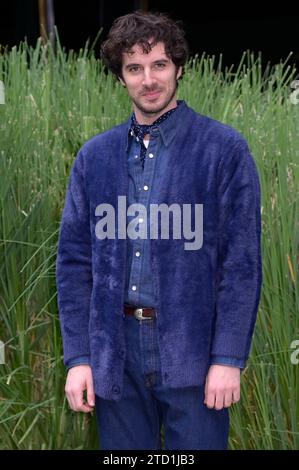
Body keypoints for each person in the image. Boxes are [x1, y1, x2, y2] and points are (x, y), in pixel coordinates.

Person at [56, 10, 262, 450]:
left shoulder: (223, 150)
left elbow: (241, 264)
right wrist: (80, 358)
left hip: (193, 348)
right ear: (120, 78)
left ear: (179, 67)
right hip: (116, 354)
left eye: (159, 64)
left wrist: (227, 359)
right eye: (134, 68)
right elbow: (74, 264)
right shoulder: (94, 158)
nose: (148, 79)